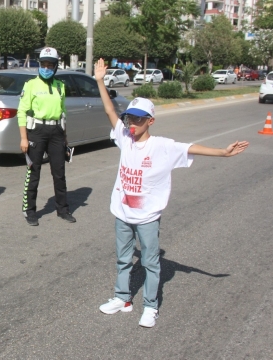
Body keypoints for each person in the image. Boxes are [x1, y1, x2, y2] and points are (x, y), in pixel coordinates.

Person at [93, 58, 249, 328]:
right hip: (122, 212)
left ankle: (151, 307)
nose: (132, 123)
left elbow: (192, 148)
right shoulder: (124, 137)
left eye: (139, 119)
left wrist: (223, 153)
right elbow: (109, 111)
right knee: (123, 258)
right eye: (130, 117)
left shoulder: (162, 147)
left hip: (148, 217)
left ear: (150, 121)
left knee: (152, 264)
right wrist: (99, 81)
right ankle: (122, 298)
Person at [17, 47, 76, 226]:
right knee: (33, 172)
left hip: (56, 132)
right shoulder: (31, 85)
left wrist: (65, 137)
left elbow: (63, 112)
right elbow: (21, 111)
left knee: (59, 173)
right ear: (39, 64)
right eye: (44, 64)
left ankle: (62, 209)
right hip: (37, 131)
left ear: (56, 66)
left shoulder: (60, 86)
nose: (47, 68)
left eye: (50, 65)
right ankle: (30, 211)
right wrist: (24, 138)